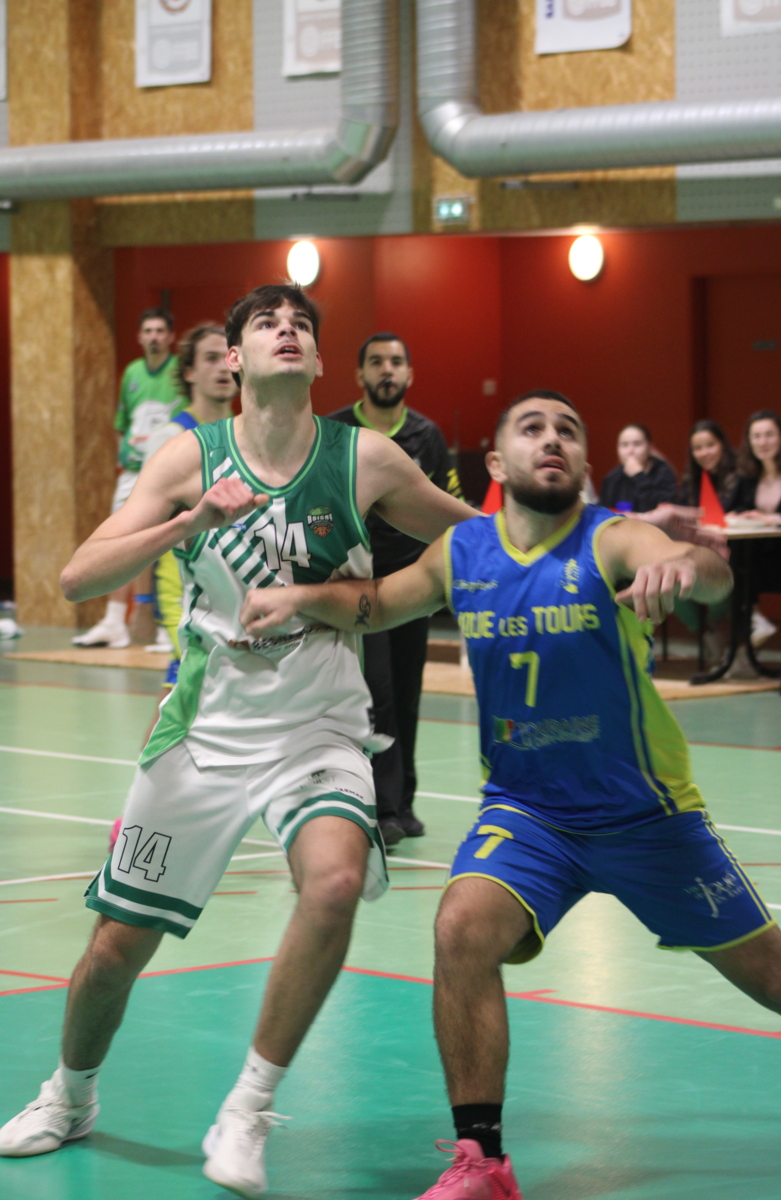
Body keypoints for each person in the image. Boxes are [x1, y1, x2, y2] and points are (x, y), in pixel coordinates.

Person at [240, 390, 781, 1200]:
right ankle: (483, 1163)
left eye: (568, 430)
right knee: (461, 927)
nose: (553, 439)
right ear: (498, 462)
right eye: (532, 428)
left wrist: (684, 566)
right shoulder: (463, 550)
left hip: (646, 816)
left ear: (584, 461)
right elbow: (378, 602)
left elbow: (708, 573)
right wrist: (298, 599)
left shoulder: (610, 538)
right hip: (529, 813)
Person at [0, 285, 475, 1199]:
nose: (286, 331)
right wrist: (189, 524)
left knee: (333, 883)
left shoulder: (366, 458)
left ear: (320, 361)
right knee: (113, 952)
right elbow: (76, 577)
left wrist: (602, 547)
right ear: (232, 358)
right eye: (266, 324)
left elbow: (483, 547)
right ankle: (70, 1094)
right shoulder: (190, 457)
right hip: (205, 735)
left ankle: (248, 1107)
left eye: (301, 325)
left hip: (319, 728)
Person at [107, 322, 239, 850]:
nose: (222, 367)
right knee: (181, 699)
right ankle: (135, 816)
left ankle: (179, 808)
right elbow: (143, 528)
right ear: (188, 372)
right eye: (209, 358)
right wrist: (142, 599)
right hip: (182, 582)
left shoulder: (247, 433)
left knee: (197, 699)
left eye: (227, 357)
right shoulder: (173, 438)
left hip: (236, 586)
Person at [329, 332, 464, 845]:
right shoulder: (336, 431)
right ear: (360, 374)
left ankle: (403, 803)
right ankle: (380, 807)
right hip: (359, 588)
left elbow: (449, 507)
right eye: (376, 362)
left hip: (415, 586)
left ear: (409, 374)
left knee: (406, 694)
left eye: (396, 362)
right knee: (376, 693)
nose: (387, 370)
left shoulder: (427, 436)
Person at [72, 308, 184, 649]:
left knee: (166, 541)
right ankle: (113, 620)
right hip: (132, 472)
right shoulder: (132, 372)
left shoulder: (181, 371)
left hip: (169, 472)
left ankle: (167, 623)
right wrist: (124, 452)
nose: (154, 337)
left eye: (160, 331)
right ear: (139, 336)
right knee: (119, 538)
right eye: (148, 331)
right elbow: (121, 423)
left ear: (171, 336)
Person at [727, 409, 781, 650]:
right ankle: (752, 624)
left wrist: (773, 518)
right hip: (759, 558)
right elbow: (735, 506)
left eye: (769, 435)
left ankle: (750, 631)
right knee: (731, 563)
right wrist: (737, 515)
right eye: (756, 436)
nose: (763, 442)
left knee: (737, 566)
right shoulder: (749, 474)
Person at [673, 420, 737, 658]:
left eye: (710, 445)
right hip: (697, 548)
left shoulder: (740, 474)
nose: (704, 453)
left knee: (718, 575)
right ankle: (706, 633)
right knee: (674, 578)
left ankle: (716, 628)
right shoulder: (691, 478)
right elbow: (684, 511)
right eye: (698, 448)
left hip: (734, 549)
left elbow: (736, 510)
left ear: (722, 445)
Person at [599, 422, 676, 513]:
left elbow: (662, 510)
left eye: (637, 444)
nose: (630, 451)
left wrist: (639, 476)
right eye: (624, 445)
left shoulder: (664, 473)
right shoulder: (612, 478)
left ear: (650, 447)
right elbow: (604, 511)